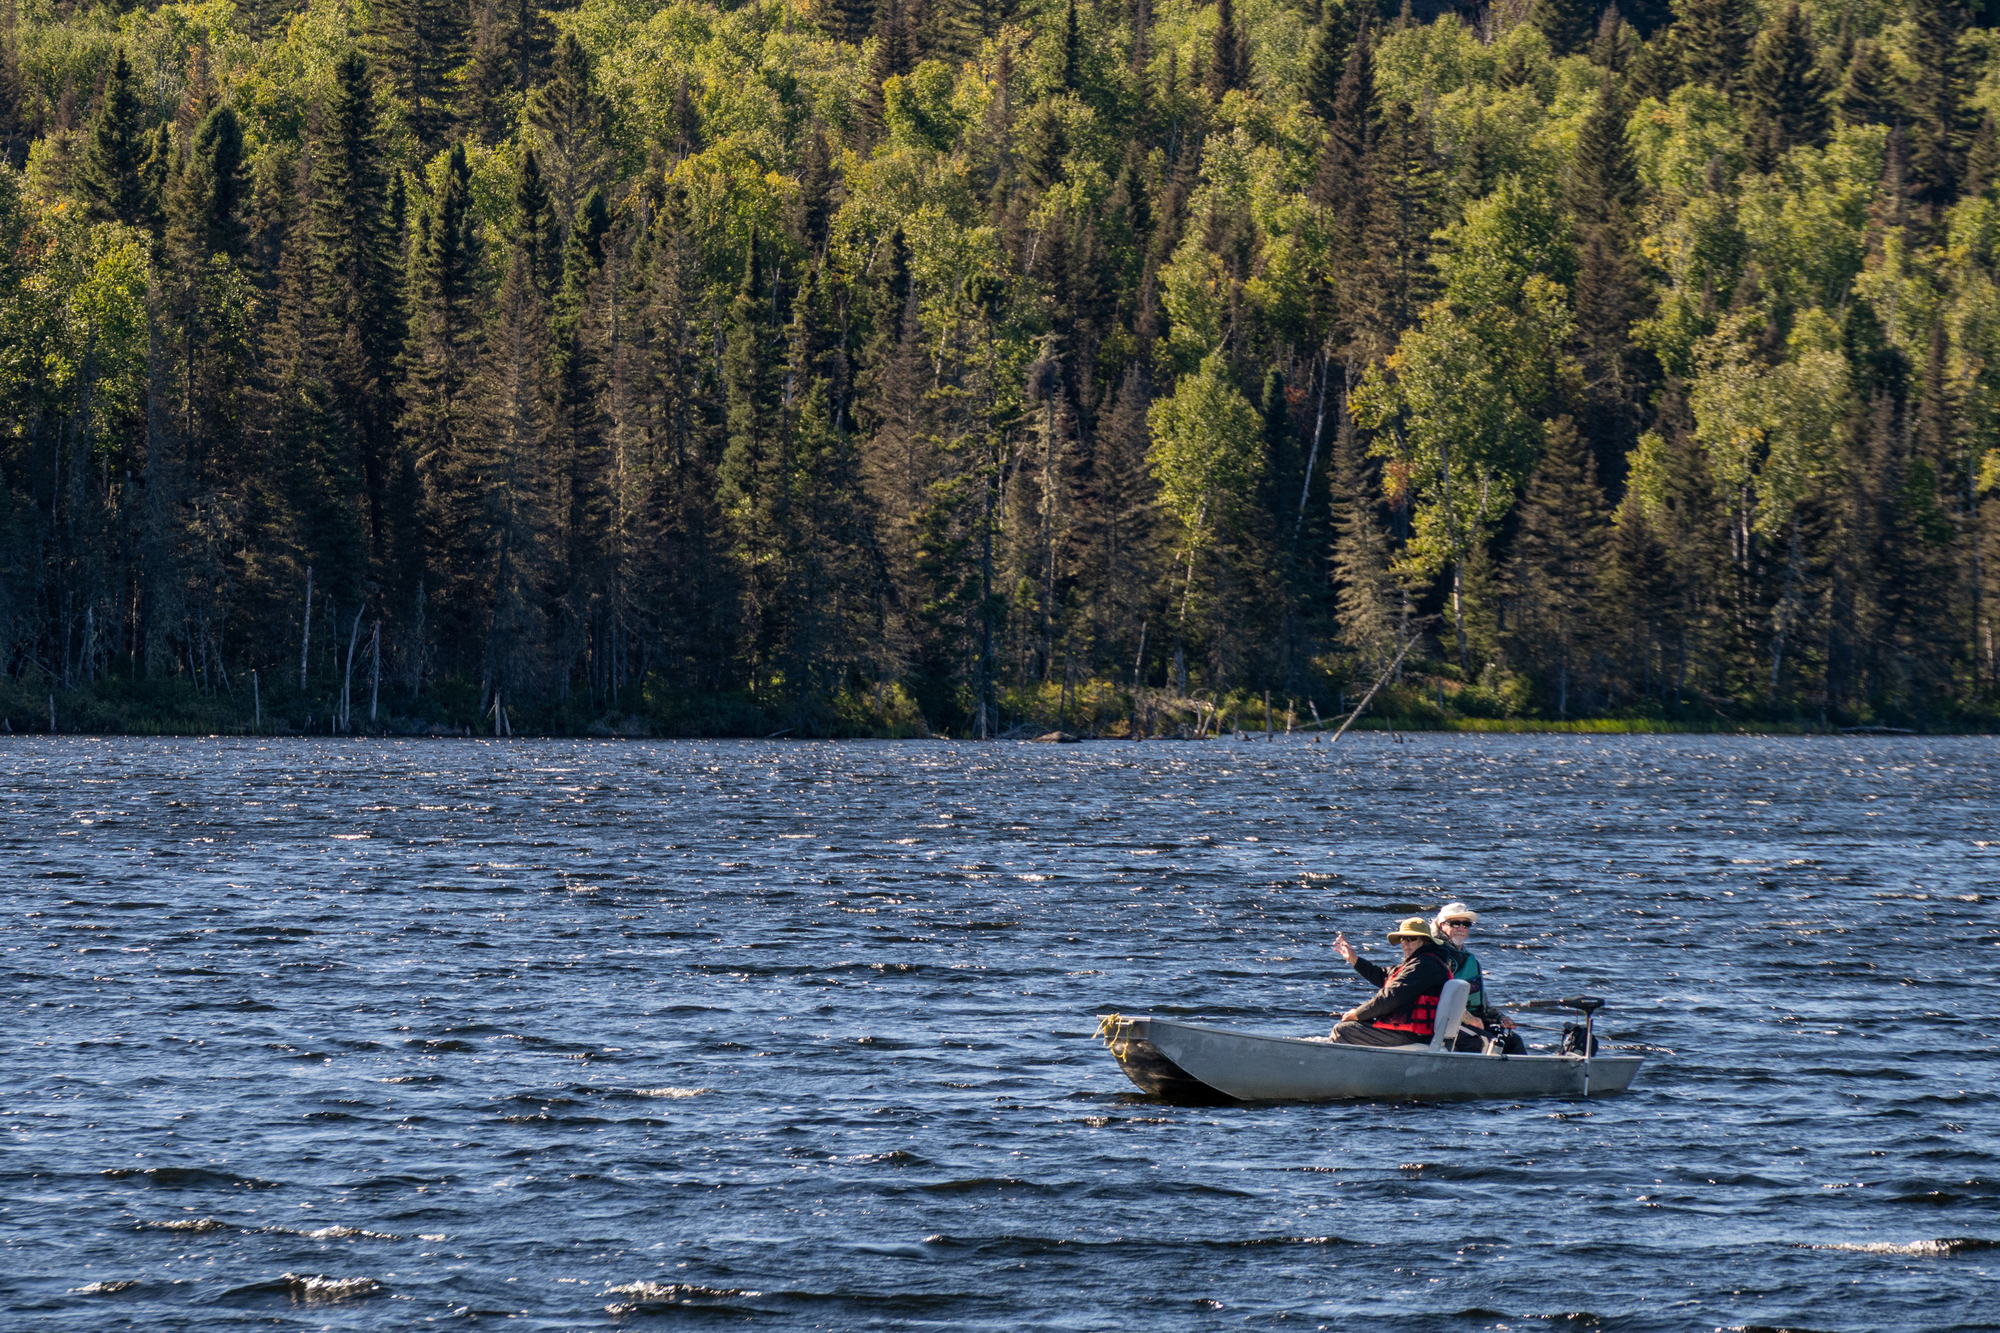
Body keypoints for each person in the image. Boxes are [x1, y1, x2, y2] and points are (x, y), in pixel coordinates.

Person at [1328, 917, 1454, 1046]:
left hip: (1411, 1035)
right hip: (1410, 1032)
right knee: (1355, 1026)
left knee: (1342, 1031)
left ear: (1424, 941)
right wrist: (1354, 960)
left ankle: (1330, 1064)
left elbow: (1390, 997)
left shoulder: (1424, 965)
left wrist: (1358, 1014)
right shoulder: (1421, 962)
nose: (1405, 943)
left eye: (1411, 939)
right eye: (1403, 939)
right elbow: (1384, 977)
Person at [1432, 901, 1526, 1054]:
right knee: (1487, 1043)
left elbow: (1480, 1000)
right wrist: (1469, 1019)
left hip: (1471, 1019)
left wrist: (1500, 1017)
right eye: (1455, 923)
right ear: (1442, 925)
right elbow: (1438, 995)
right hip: (1447, 1022)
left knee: (1513, 1041)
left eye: (1466, 924)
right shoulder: (1438, 955)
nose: (1461, 928)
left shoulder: (1469, 959)